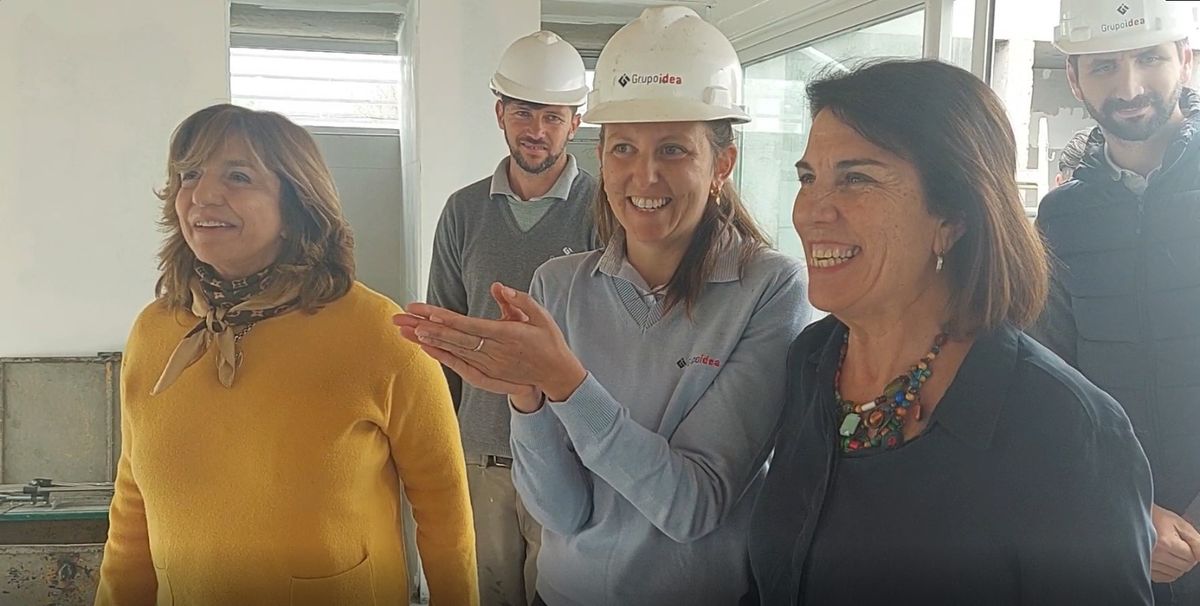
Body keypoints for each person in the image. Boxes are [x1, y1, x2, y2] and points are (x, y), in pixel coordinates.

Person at [396, 7, 813, 605]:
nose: (643, 175)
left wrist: (564, 384)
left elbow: (692, 506)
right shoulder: (559, 285)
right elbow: (560, 512)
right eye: (623, 147)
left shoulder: (769, 290)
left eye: (673, 149)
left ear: (722, 162)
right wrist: (526, 396)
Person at [747, 59, 1154, 605]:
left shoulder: (1065, 428)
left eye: (856, 178)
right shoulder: (813, 361)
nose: (811, 211)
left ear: (955, 214)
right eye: (808, 178)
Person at [95, 104, 477, 606]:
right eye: (189, 175)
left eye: (238, 175)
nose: (203, 194)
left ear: (296, 203)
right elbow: (132, 505)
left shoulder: (380, 336)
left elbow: (444, 511)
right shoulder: (153, 332)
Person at [1031, 0, 1200, 601]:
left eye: (1149, 58)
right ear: (1074, 77)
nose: (1129, 87)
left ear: (1184, 59)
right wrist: (1127, 506)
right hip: (1115, 526)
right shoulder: (1061, 217)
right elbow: (1053, 377)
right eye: (1103, 66)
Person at [426, 29, 598, 606]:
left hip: (572, 455)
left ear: (575, 122)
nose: (537, 130)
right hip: (482, 452)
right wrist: (439, 444)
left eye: (553, 116)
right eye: (524, 113)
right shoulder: (463, 211)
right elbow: (442, 337)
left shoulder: (606, 213)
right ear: (500, 113)